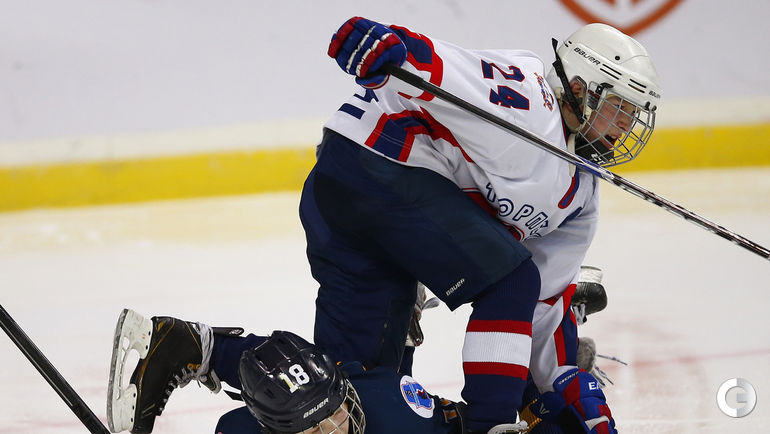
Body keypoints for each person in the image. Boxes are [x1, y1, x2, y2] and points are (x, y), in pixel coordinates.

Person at [299, 16, 661, 433]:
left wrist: (563, 385)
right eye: (620, 107)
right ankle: (491, 425)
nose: (626, 125)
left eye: (634, 114)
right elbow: (449, 70)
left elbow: (540, 306)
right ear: (579, 89)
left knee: (358, 387)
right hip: (380, 165)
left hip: (344, 187)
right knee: (511, 281)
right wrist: (394, 45)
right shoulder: (530, 100)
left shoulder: (580, 197)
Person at [106, 267, 613, 434]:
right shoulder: (240, 429)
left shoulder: (392, 413)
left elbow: (473, 424)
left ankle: (551, 322)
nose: (335, 430)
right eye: (315, 431)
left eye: (333, 416)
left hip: (384, 379)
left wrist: (540, 401)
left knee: (562, 405)